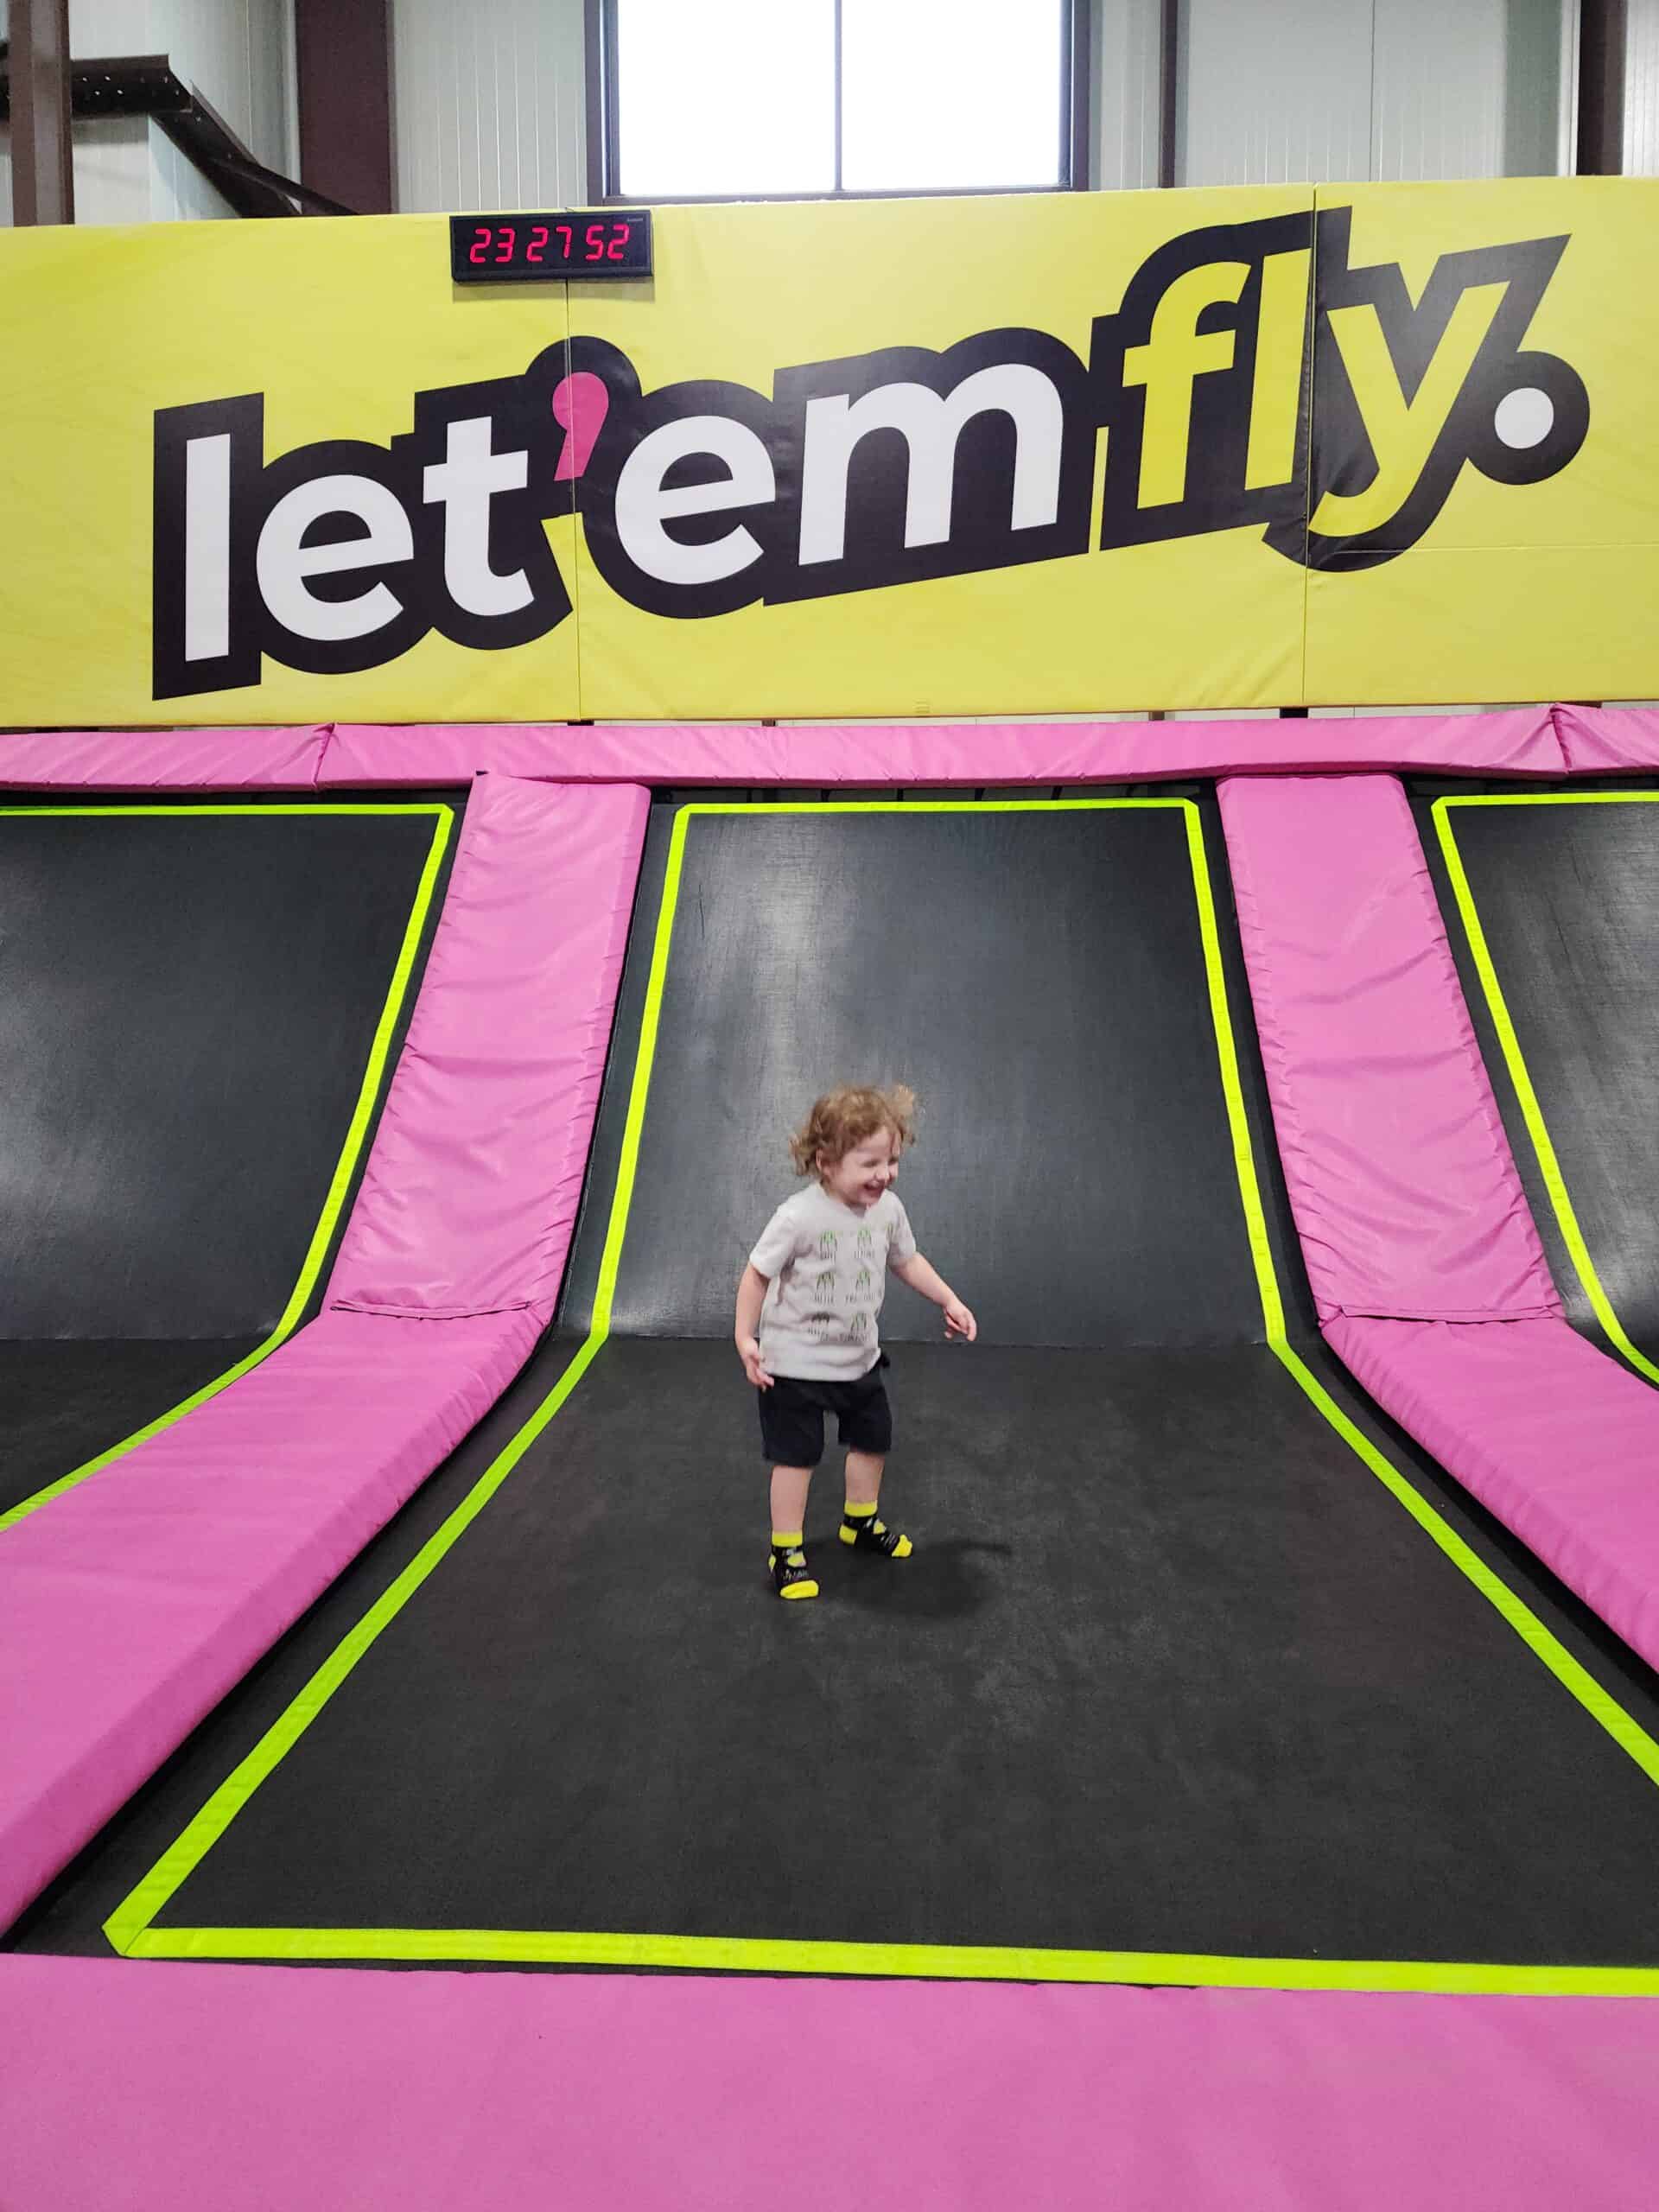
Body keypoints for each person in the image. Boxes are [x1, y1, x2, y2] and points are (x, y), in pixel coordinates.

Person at [734, 1084, 976, 1601]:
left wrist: (948, 1300)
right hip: (794, 1366)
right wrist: (745, 1337)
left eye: (891, 1161)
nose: (883, 1175)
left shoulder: (888, 1210)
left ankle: (859, 1522)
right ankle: (786, 1549)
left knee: (873, 1442)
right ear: (826, 1163)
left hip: (859, 1359)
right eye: (869, 1163)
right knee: (795, 1458)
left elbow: (906, 1260)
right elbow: (757, 1273)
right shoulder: (798, 1216)